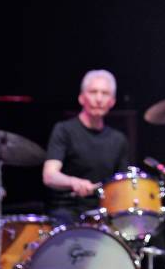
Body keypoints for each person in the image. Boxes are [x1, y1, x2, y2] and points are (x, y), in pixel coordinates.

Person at [42, 69, 129, 225]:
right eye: (93, 92)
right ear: (81, 98)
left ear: (112, 101)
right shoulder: (64, 130)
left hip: (103, 213)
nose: (99, 99)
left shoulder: (118, 139)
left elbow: (121, 185)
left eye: (105, 93)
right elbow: (49, 176)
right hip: (67, 212)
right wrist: (74, 182)